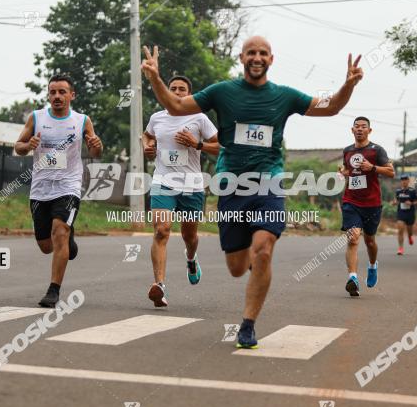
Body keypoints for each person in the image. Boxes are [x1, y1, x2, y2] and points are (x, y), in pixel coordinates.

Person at [141, 36, 364, 348]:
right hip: (231, 185)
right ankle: (241, 256)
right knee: (236, 268)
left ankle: (247, 324)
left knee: (263, 250)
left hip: (268, 182)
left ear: (271, 59)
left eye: (262, 53)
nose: (256, 57)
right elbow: (176, 105)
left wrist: (348, 85)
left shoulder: (284, 96)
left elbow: (329, 108)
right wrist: (154, 77)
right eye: (251, 53)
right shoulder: (222, 92)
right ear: (241, 57)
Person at [15, 74, 102, 308]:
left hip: (69, 185)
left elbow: (96, 152)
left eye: (62, 92)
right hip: (40, 188)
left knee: (59, 231)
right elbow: (18, 146)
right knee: (46, 245)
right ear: (48, 95)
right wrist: (28, 144)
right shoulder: (36, 118)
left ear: (72, 95)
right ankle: (69, 242)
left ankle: (53, 290)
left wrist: (96, 146)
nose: (57, 96)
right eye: (53, 92)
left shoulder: (82, 120)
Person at [141, 75, 220, 307]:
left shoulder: (200, 118)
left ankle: (191, 258)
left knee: (189, 236)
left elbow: (219, 147)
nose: (176, 92)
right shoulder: (157, 118)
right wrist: (147, 146)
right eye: (172, 88)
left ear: (189, 95)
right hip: (163, 181)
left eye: (182, 89)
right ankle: (160, 287)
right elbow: (147, 135)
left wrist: (197, 144)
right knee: (161, 231)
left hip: (192, 185)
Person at [339, 118, 395, 296]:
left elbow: (391, 172)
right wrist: (343, 173)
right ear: (352, 130)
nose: (360, 129)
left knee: (369, 241)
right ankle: (353, 278)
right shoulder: (347, 151)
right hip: (351, 201)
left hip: (372, 203)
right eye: (357, 127)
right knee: (353, 237)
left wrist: (373, 167)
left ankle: (372, 265)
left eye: (364, 127)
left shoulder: (377, 150)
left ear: (369, 131)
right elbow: (349, 171)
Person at [390, 174, 417, 256]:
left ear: (408, 181)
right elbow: (395, 200)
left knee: (409, 230)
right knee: (400, 230)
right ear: (401, 181)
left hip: (410, 213)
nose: (404, 181)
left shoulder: (412, 191)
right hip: (401, 212)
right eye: (402, 180)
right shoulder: (398, 191)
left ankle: (410, 236)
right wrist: (393, 203)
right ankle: (400, 248)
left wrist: (411, 203)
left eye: (405, 179)